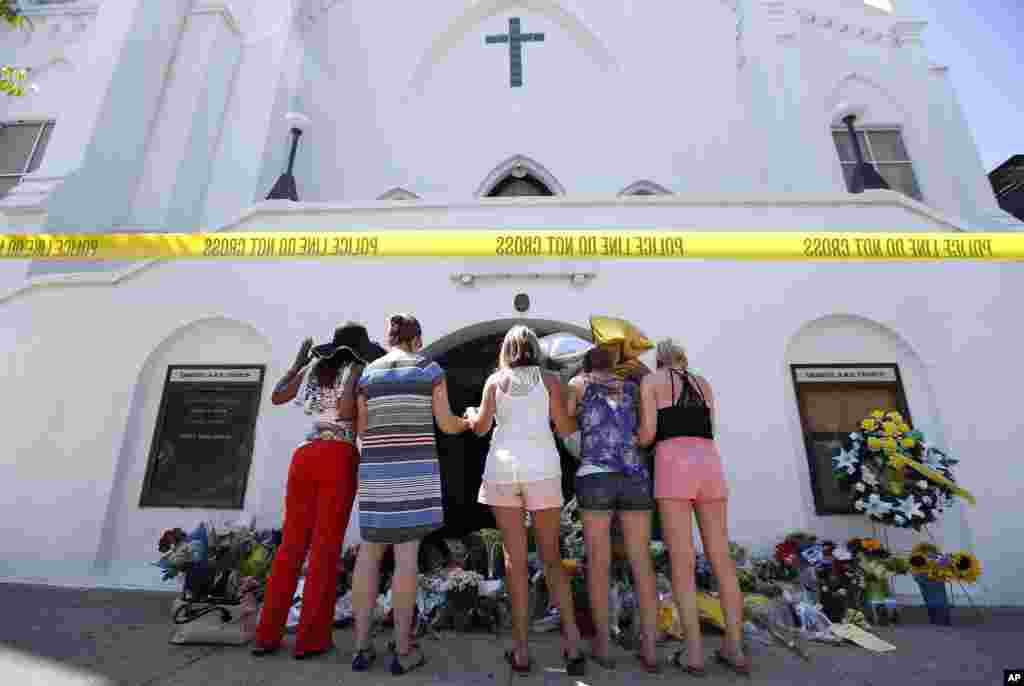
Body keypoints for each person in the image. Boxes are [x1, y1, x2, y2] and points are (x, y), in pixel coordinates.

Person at [350, 313, 471, 676]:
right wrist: (468, 420)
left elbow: (361, 431)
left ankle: (360, 647)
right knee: (406, 560)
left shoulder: (368, 374)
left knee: (368, 556)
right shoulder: (428, 369)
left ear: (389, 340)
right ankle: (403, 651)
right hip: (413, 478)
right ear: (416, 339)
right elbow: (446, 423)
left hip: (375, 474)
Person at [252, 323, 383, 659]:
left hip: (304, 454)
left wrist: (297, 364)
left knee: (290, 547)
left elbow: (278, 395)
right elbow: (345, 412)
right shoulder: (357, 370)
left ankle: (267, 634)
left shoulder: (313, 368)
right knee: (325, 549)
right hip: (338, 454)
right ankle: (310, 640)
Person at [464, 325, 586, 676]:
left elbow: (482, 428)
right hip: (542, 470)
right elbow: (565, 430)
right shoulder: (551, 381)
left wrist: (473, 414)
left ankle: (520, 651)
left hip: (503, 472)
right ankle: (573, 645)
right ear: (535, 349)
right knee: (552, 558)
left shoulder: (494, 382)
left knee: (515, 563)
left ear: (506, 351)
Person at [637, 338, 750, 676]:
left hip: (673, 465)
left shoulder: (651, 381)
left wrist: (630, 441)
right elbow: (709, 428)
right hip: (709, 465)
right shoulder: (703, 383)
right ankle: (735, 647)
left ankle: (695, 653)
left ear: (659, 360)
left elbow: (647, 434)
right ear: (683, 359)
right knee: (721, 559)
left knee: (682, 561)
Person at [567, 342, 661, 673]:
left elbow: (566, 425)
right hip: (634, 474)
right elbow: (647, 436)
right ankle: (649, 647)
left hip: (595, 475)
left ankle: (604, 646)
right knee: (641, 562)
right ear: (614, 364)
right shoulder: (634, 388)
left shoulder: (577, 385)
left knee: (598, 562)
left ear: (586, 364)